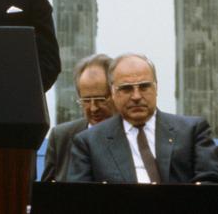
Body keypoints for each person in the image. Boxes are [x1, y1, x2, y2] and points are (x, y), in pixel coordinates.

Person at [67, 53, 218, 183]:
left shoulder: (192, 132)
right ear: (113, 93)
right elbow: (80, 199)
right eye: (126, 88)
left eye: (144, 86)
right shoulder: (90, 143)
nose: (136, 96)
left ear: (156, 88)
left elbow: (209, 187)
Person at [42, 53, 114, 181]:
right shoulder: (61, 137)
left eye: (100, 99)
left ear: (115, 94)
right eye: (86, 100)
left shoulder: (131, 135)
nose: (93, 108)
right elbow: (47, 195)